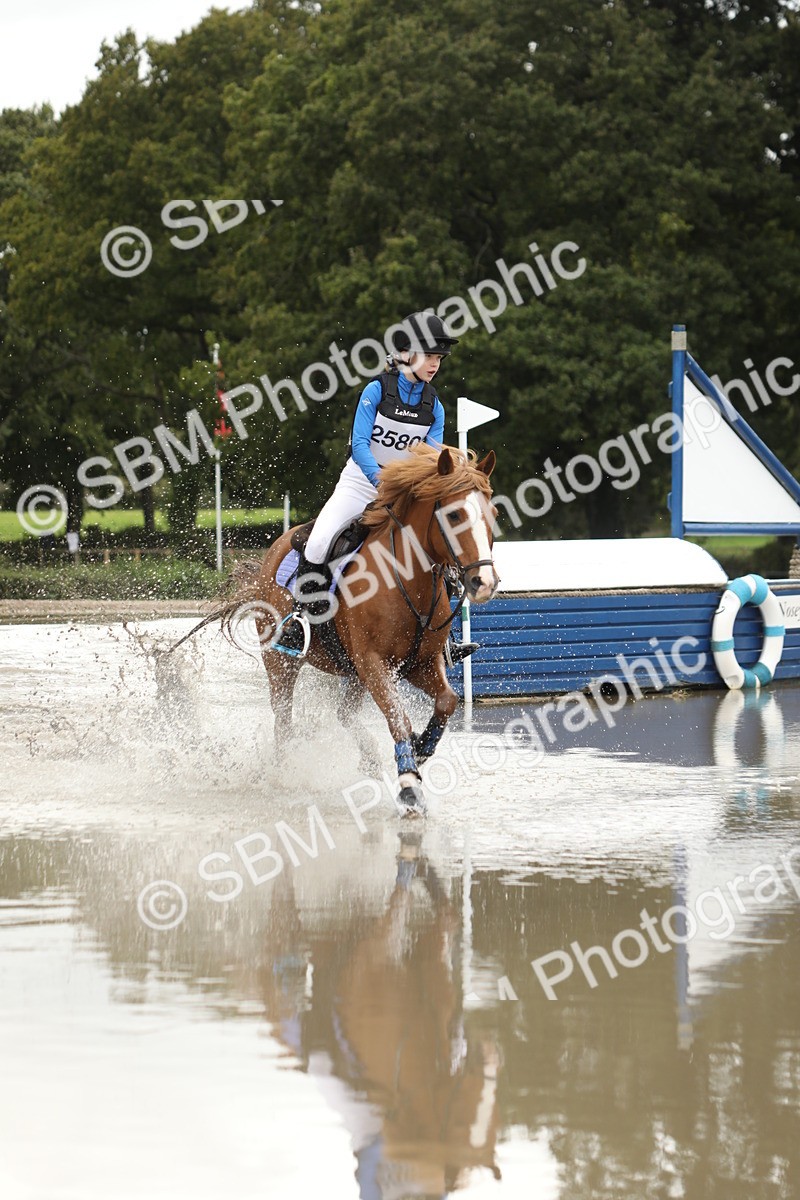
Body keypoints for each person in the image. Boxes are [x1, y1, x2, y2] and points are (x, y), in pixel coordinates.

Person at [272, 310, 479, 663]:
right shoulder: (376, 391)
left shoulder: (435, 406)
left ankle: (445, 638)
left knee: (436, 548)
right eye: (429, 355)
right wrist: (380, 480)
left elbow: (430, 458)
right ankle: (299, 619)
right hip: (361, 483)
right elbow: (360, 445)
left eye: (438, 358)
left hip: (403, 493)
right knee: (320, 541)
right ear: (405, 355)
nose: (435, 364)